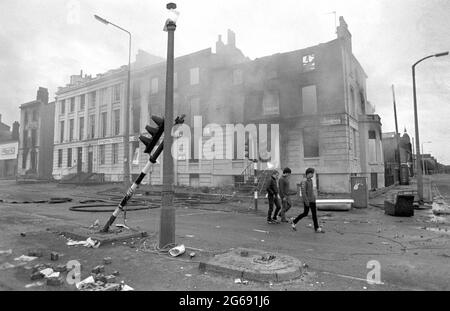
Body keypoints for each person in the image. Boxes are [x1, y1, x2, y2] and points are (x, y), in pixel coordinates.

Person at [291, 167, 324, 233]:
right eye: (312, 174)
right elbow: (303, 193)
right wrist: (306, 202)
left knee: (314, 214)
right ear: (308, 173)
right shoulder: (304, 181)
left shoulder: (310, 180)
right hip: (308, 201)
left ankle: (316, 228)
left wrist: (314, 198)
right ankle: (294, 221)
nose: (313, 175)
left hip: (312, 200)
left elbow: (311, 191)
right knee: (305, 213)